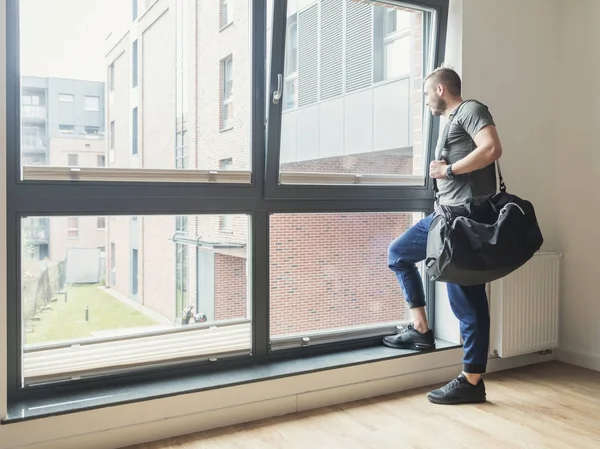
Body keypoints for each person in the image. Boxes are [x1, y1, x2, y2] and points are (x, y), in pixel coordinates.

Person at [384, 66, 503, 405]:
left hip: (464, 220)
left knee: (467, 300)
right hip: (444, 217)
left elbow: (492, 149)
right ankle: (421, 330)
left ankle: (472, 379)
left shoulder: (471, 110)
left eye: (425, 94)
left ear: (439, 90)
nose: (425, 101)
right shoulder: (450, 121)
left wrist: (448, 169)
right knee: (399, 254)